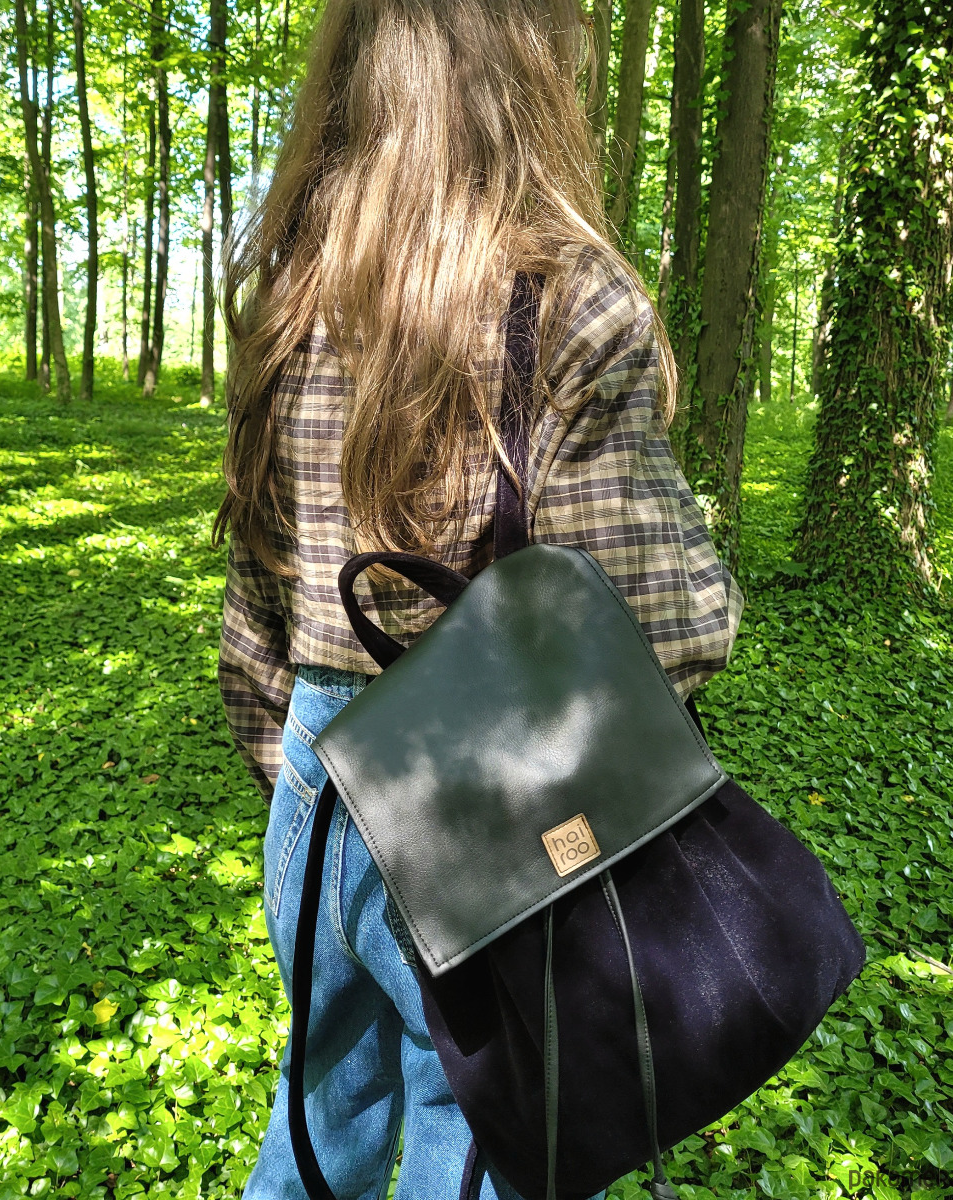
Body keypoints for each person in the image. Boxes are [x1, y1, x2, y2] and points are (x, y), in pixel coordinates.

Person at [214, 0, 744, 1195]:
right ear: (528, 62)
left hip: (315, 780)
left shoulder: (294, 290)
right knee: (482, 1144)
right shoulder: (568, 301)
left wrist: (305, 775)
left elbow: (253, 596)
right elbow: (666, 633)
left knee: (317, 1114)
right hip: (485, 814)